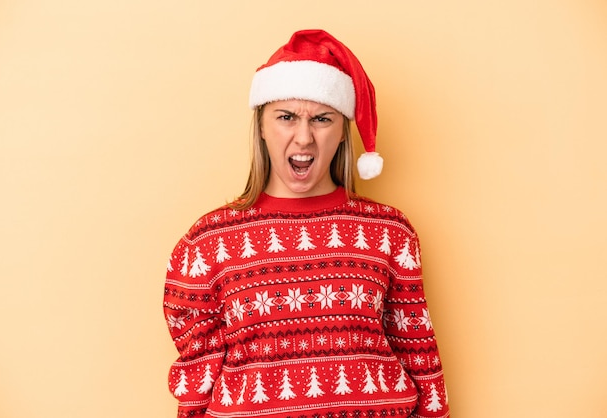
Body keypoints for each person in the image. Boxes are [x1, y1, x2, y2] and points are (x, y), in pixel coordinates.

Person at [163, 29, 450, 418]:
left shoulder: (390, 234)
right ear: (262, 126)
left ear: (342, 131)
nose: (304, 138)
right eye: (286, 117)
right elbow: (195, 384)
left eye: (321, 119)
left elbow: (421, 360)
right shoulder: (207, 244)